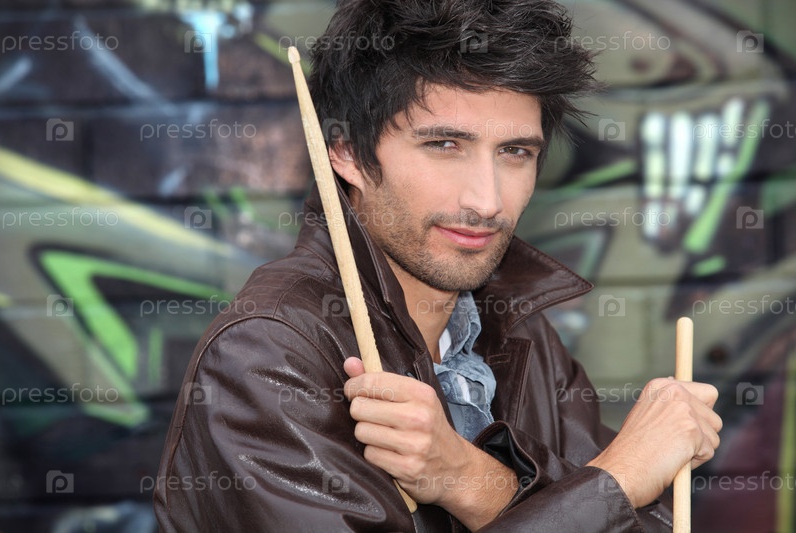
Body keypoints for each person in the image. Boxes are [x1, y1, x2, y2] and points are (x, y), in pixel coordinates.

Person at [154, 0, 722, 530]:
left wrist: (472, 481)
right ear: (345, 152)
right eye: (445, 145)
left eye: (515, 152)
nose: (487, 201)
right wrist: (619, 477)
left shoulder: (518, 332)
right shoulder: (270, 351)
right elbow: (611, 503)